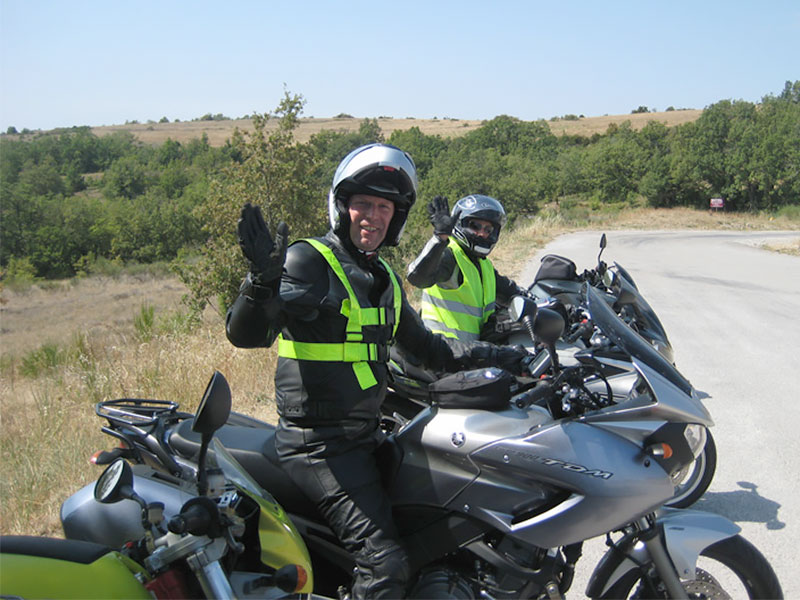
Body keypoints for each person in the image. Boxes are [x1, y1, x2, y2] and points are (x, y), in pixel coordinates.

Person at [226, 144, 529, 599]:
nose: (373, 216)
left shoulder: (382, 275)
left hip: (367, 435)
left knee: (439, 523)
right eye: (362, 204)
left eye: (384, 207)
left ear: (396, 216)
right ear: (341, 206)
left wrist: (508, 357)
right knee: (385, 564)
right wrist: (260, 283)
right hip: (318, 446)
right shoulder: (309, 261)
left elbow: (429, 348)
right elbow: (247, 335)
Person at [406, 194, 528, 344]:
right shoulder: (449, 256)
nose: (482, 233)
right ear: (460, 224)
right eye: (475, 226)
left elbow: (509, 290)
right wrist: (439, 239)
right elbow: (417, 277)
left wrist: (541, 303)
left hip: (473, 353)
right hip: (442, 353)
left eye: (488, 229)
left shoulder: (484, 265)